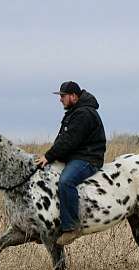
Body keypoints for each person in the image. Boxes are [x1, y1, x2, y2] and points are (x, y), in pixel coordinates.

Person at [35, 81, 106, 245]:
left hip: (88, 159)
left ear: (73, 96)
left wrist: (49, 156)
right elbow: (63, 139)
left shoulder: (84, 114)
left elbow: (69, 141)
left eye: (62, 96)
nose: (60, 99)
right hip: (76, 157)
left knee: (66, 182)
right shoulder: (74, 112)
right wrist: (50, 157)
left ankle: (71, 227)